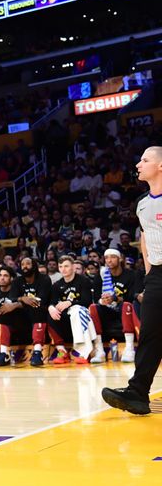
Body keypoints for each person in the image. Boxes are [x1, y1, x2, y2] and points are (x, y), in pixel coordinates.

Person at [103, 147, 162, 415]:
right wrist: (150, 271)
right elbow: (146, 237)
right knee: (150, 334)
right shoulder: (142, 203)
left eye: (145, 160)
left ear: (160, 166)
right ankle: (138, 393)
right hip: (157, 276)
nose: (138, 164)